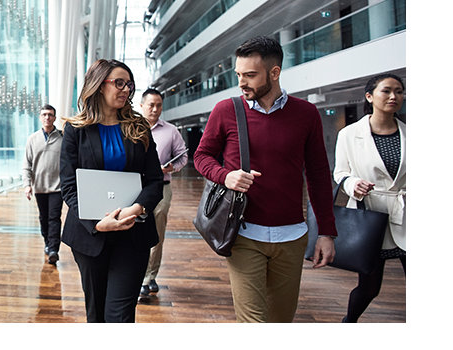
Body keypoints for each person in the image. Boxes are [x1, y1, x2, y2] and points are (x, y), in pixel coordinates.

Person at [193, 36, 336, 323]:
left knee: (281, 320)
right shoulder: (226, 110)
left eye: (249, 75)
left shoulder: (306, 114)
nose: (241, 82)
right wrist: (226, 176)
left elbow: (319, 175)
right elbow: (202, 156)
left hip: (292, 237)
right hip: (242, 233)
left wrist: (326, 232)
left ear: (274, 72)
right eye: (238, 75)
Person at [59, 59, 163, 322]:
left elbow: (154, 181)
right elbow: (69, 186)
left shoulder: (139, 128)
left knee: (120, 315)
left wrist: (136, 209)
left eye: (129, 84)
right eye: (119, 83)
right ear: (98, 85)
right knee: (96, 315)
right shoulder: (75, 130)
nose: (126, 89)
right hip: (89, 235)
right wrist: (97, 223)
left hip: (134, 233)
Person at [333, 73, 406, 323]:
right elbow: (340, 172)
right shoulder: (349, 135)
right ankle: (349, 323)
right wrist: (353, 184)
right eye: (386, 91)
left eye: (399, 91)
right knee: (369, 287)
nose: (394, 96)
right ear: (369, 96)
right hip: (370, 218)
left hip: (407, 215)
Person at [138, 88, 188, 297]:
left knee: (157, 233)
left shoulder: (171, 131)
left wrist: (172, 168)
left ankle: (149, 277)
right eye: (151, 105)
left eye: (159, 105)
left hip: (161, 187)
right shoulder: (130, 129)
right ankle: (138, 274)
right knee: (135, 231)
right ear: (141, 106)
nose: (156, 109)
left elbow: (183, 157)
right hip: (135, 188)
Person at [23, 104, 64, 264]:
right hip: (39, 187)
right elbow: (27, 164)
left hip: (57, 187)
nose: (47, 117)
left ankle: (54, 249)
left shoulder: (62, 137)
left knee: (54, 218)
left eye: (50, 115)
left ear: (54, 117)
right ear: (40, 117)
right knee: (43, 218)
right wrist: (27, 185)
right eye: (44, 114)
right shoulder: (32, 139)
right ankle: (48, 243)